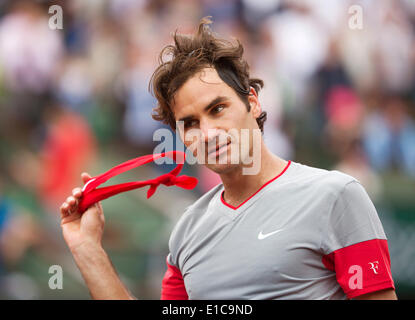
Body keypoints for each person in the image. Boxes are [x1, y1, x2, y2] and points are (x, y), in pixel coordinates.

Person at [59, 17, 397, 300]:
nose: (207, 133)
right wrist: (88, 248)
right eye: (190, 123)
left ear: (253, 102)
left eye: (217, 109)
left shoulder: (337, 195)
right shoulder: (186, 232)